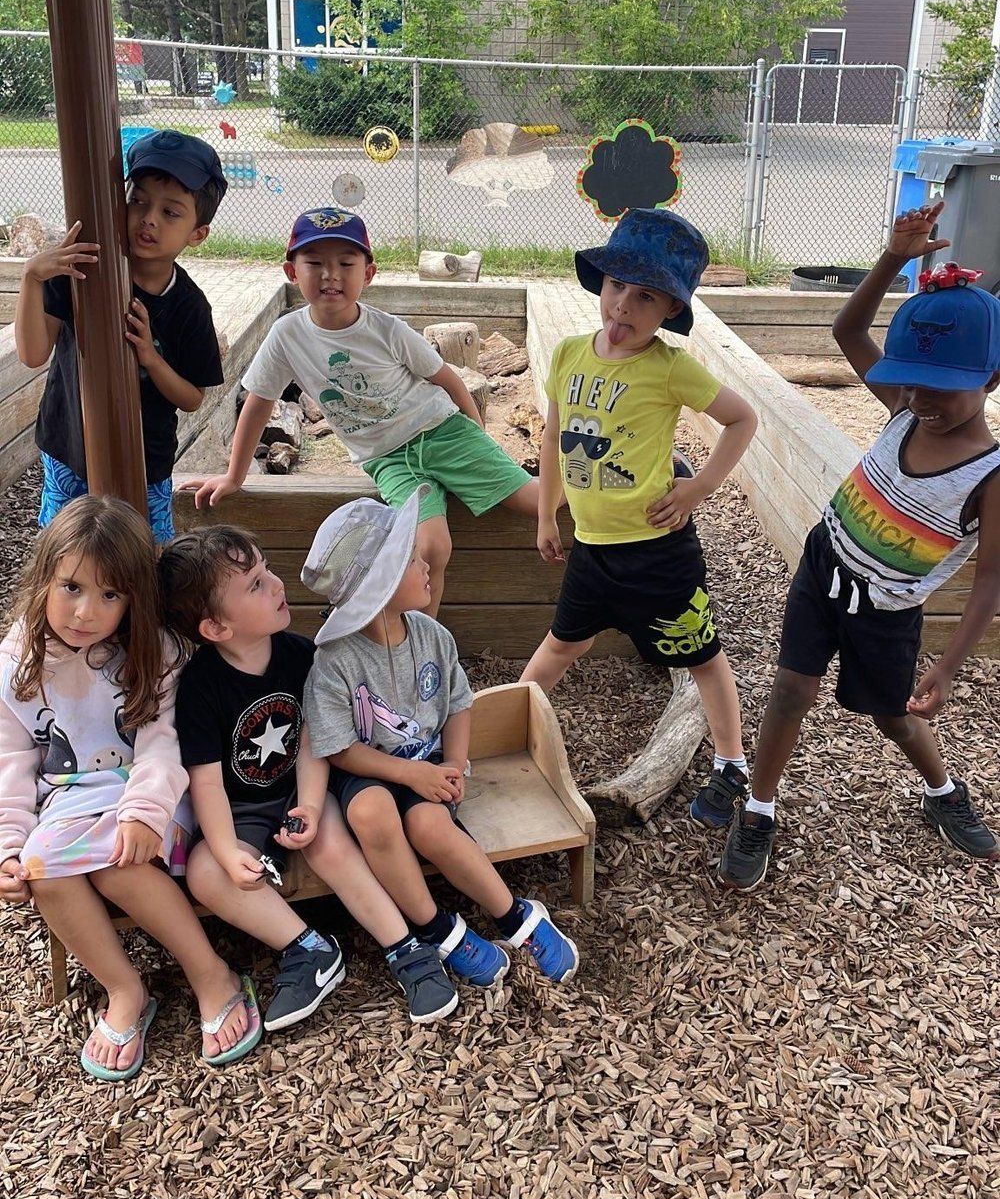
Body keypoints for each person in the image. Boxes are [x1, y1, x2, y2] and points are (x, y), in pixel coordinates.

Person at [719, 203, 1000, 891]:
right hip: (825, 564)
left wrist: (949, 667)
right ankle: (758, 809)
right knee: (790, 689)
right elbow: (847, 329)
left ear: (991, 380)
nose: (923, 397)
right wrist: (894, 259)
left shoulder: (989, 477)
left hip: (886, 609)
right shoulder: (904, 407)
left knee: (893, 715)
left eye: (944, 388)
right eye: (912, 379)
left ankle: (942, 792)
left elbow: (991, 579)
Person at [0, 496, 260, 1081]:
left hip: (151, 792)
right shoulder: (16, 660)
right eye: (71, 587)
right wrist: (8, 846)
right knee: (42, 867)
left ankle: (210, 973)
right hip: (70, 800)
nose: (84, 612)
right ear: (44, 578)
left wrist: (143, 811)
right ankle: (124, 988)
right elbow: (11, 759)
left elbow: (164, 743)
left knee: (118, 862)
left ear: (134, 598)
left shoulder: (153, 652)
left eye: (109, 595)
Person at [159, 525, 459, 1027]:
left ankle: (407, 948)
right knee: (207, 872)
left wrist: (314, 807)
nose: (277, 584)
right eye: (256, 584)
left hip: (306, 787)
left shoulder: (303, 657)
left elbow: (315, 742)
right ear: (216, 627)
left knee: (331, 846)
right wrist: (228, 850)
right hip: (242, 807)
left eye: (267, 569)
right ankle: (309, 948)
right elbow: (206, 781)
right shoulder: (199, 687)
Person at [521, 207, 758, 827]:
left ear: (670, 309)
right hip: (592, 549)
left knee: (701, 656)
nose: (623, 305)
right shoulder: (569, 355)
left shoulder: (669, 367)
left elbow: (742, 418)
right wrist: (546, 514)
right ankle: (506, 731)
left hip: (658, 553)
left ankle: (731, 760)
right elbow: (553, 439)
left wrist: (699, 487)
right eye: (616, 285)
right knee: (560, 645)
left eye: (645, 296)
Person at [182, 207, 538, 612]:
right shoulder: (287, 335)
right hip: (388, 459)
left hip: (441, 432)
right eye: (315, 263)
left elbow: (448, 379)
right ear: (291, 271)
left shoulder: (386, 329)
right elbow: (259, 403)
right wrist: (235, 475)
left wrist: (476, 435)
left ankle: (593, 479)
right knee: (430, 547)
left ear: (367, 274)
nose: (330, 275)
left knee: (534, 502)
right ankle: (424, 641)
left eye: (345, 264)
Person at [302, 489, 580, 988]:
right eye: (413, 559)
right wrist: (408, 773)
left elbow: (457, 703)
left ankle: (515, 916)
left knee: (430, 826)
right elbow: (339, 748)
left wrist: (454, 764)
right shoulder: (334, 662)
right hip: (369, 770)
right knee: (371, 813)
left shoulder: (433, 636)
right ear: (383, 585)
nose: (426, 564)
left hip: (427, 762)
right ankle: (436, 929)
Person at [15, 130, 227, 543]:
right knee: (66, 552)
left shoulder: (189, 306)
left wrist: (150, 357)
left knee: (142, 556)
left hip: (145, 463)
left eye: (170, 212)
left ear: (197, 233)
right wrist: (31, 279)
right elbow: (32, 354)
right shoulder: (81, 272)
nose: (149, 218)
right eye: (138, 201)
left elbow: (192, 398)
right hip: (67, 448)